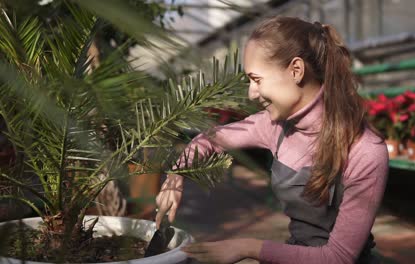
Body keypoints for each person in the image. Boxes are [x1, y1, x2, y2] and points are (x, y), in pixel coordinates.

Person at [155, 16, 388, 264]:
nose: (251, 93)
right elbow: (209, 139)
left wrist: (247, 247)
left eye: (256, 80)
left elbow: (338, 257)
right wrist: (175, 177)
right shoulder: (273, 125)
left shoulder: (365, 151)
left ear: (296, 71)